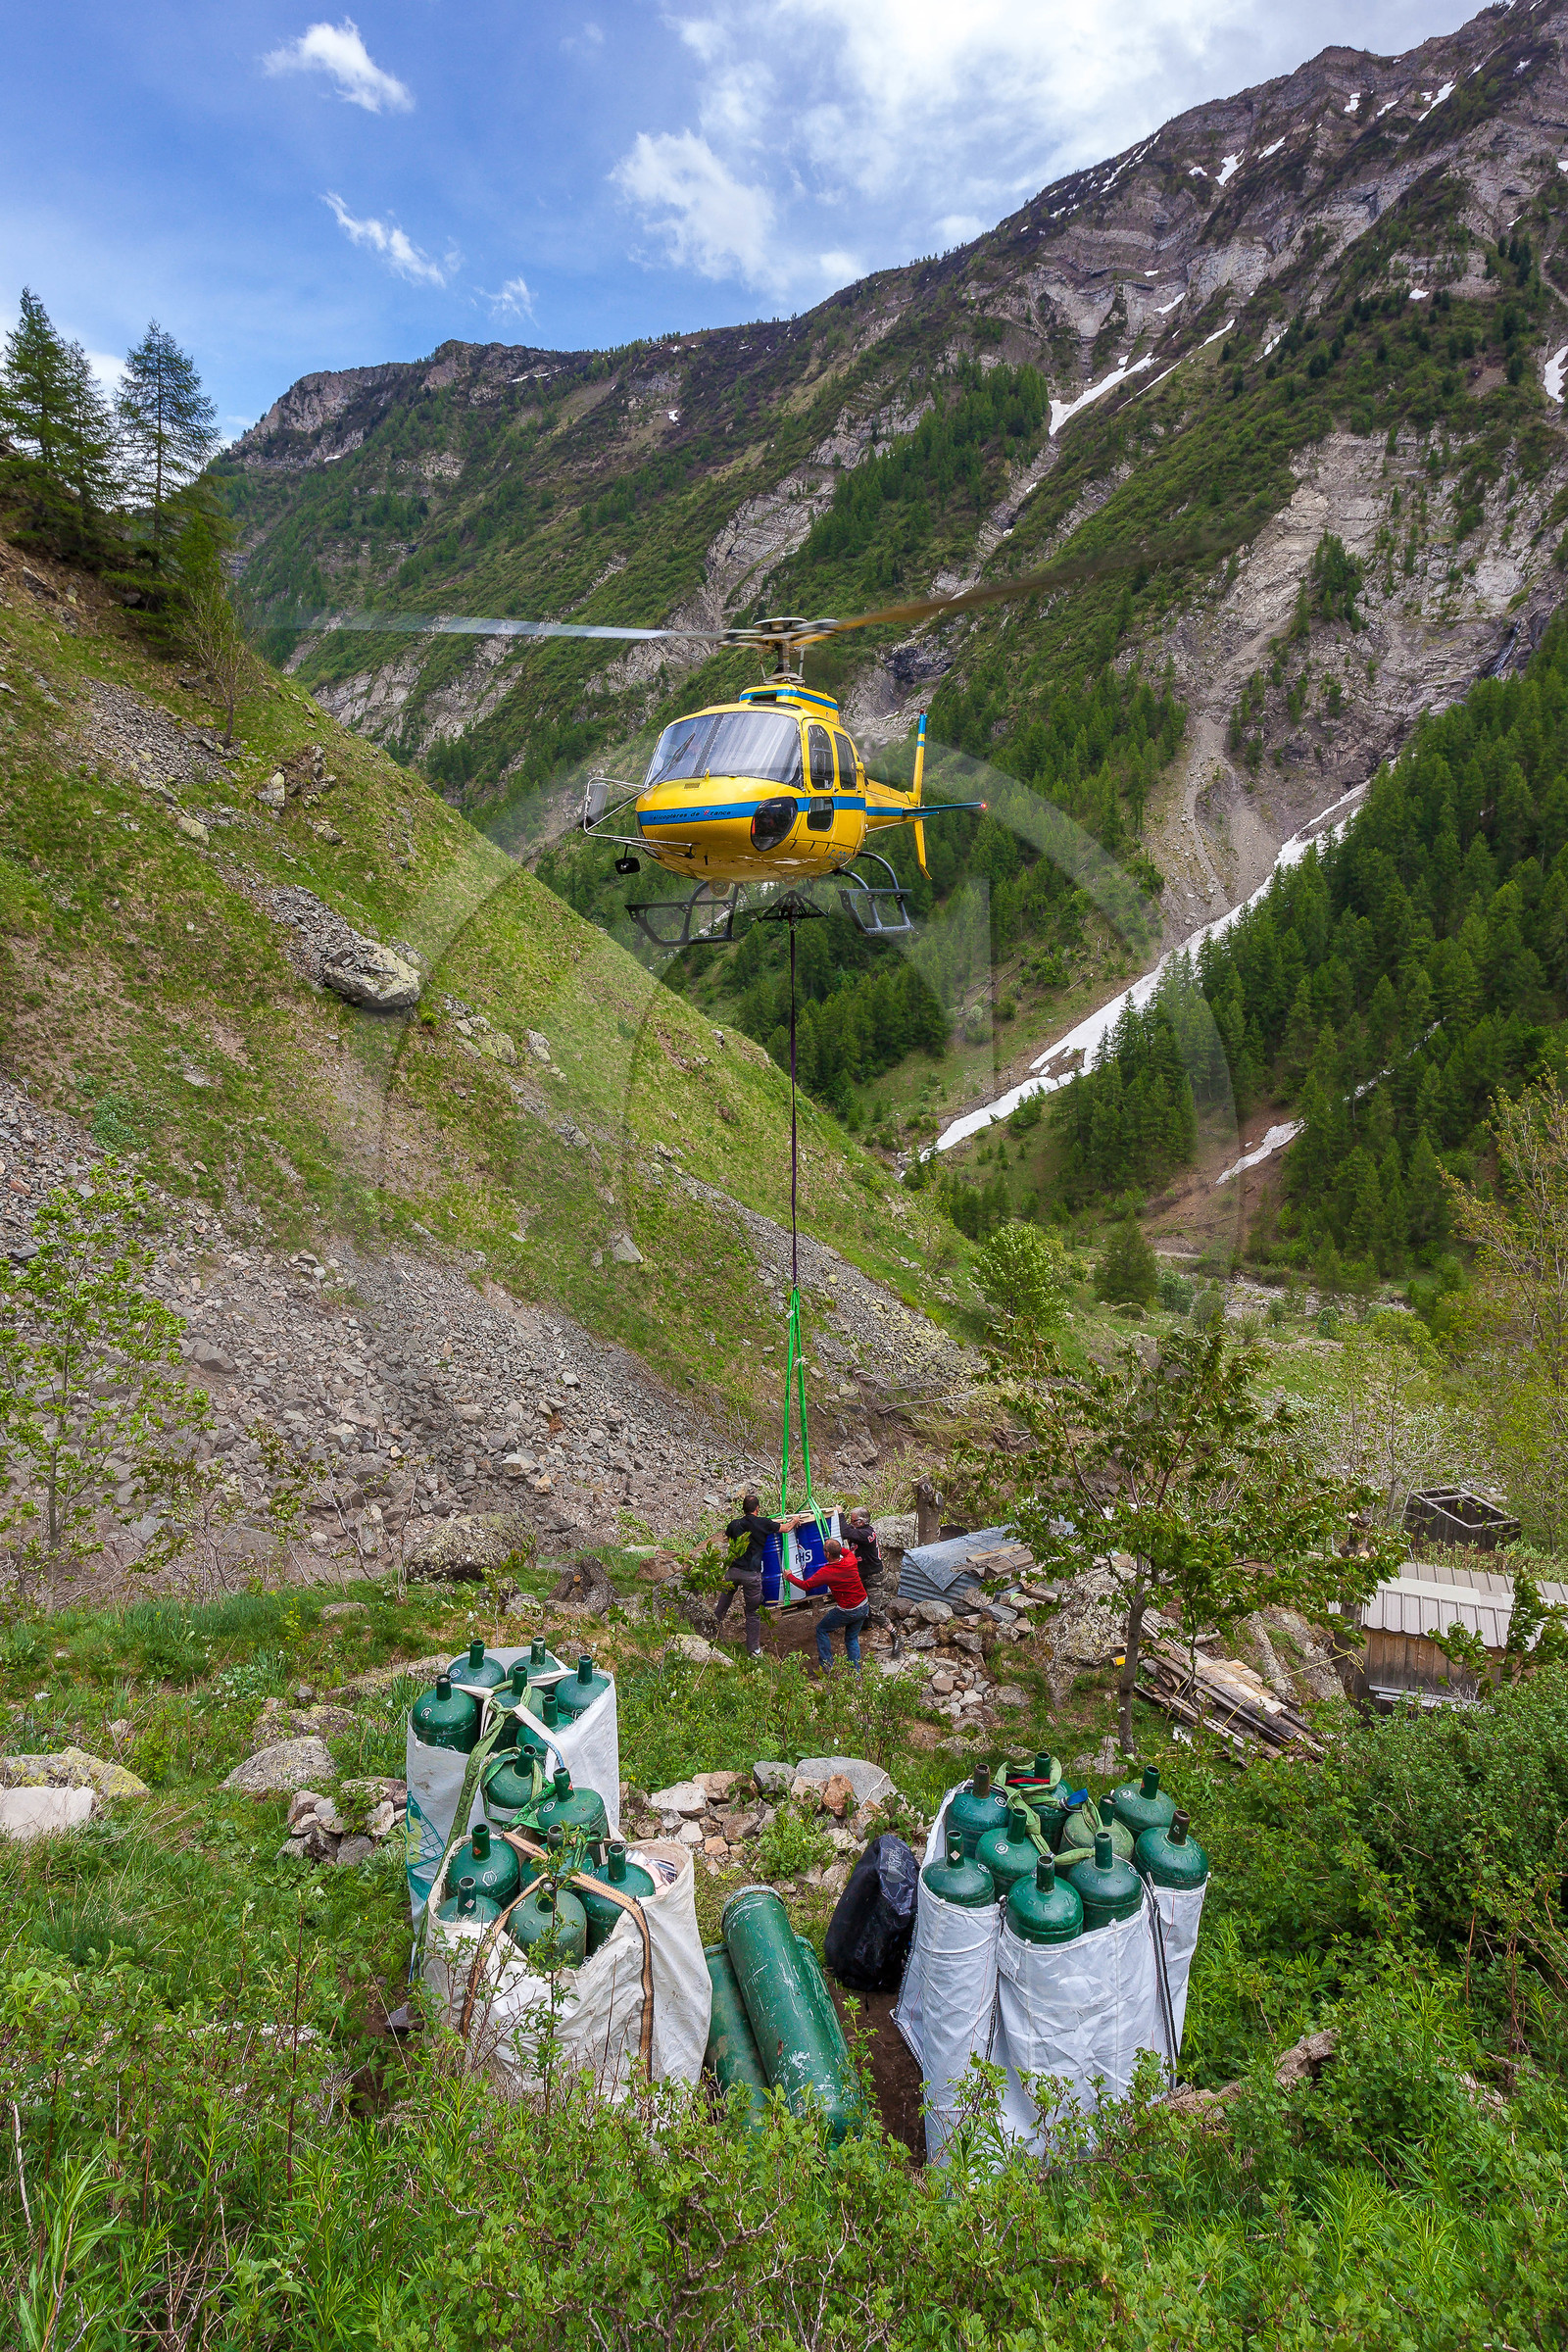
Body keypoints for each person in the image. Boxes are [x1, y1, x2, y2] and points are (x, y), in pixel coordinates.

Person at [715, 1490, 808, 1658]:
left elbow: (727, 1539)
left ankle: (711, 1631)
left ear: (743, 1509)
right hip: (751, 1574)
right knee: (752, 1612)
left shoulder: (734, 1524)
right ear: (757, 1508)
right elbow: (786, 1528)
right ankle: (753, 1650)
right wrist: (795, 1520)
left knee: (724, 1603)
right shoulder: (763, 1523)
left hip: (734, 1571)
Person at [785, 1535, 870, 1672]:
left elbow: (806, 1585)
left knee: (822, 1629)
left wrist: (789, 1576)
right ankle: (856, 1674)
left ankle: (827, 1666)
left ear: (827, 1554)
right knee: (851, 1638)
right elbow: (847, 1552)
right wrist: (836, 1546)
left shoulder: (827, 1572)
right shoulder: (850, 1561)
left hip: (848, 1610)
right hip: (864, 1605)